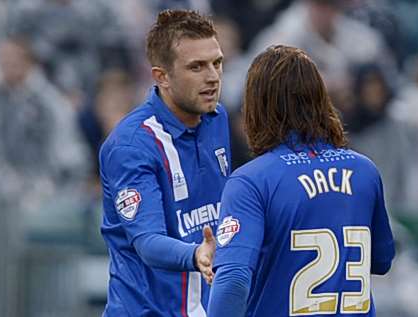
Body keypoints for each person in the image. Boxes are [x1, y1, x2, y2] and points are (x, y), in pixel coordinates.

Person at [208, 45, 395, 316]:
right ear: (321, 100)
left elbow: (233, 280)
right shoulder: (364, 170)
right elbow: (382, 260)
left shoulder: (251, 180)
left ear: (255, 106)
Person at [99, 9, 231, 316]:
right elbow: (147, 242)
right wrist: (196, 253)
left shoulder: (217, 119)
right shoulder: (131, 146)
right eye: (196, 67)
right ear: (162, 77)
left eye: (217, 63)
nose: (212, 77)